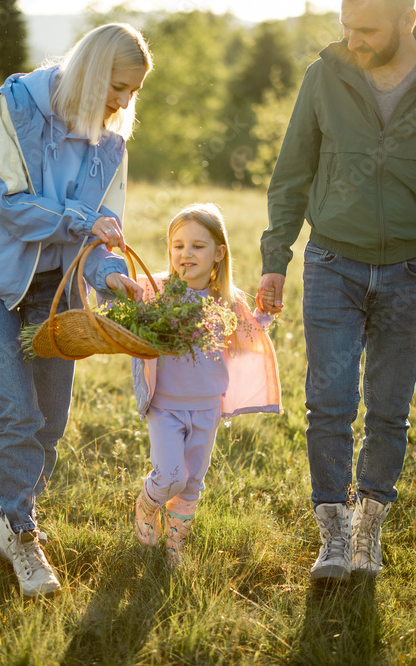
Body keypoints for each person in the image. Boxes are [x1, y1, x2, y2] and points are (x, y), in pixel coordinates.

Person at [258, 0, 416, 581]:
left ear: (409, 18)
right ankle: (333, 532)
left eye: (368, 30)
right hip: (331, 261)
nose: (354, 40)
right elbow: (292, 172)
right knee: (328, 403)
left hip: (410, 271)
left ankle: (370, 526)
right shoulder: (324, 75)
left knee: (390, 409)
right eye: (346, 27)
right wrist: (274, 259)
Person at [0, 23, 153, 597]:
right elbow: (6, 201)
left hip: (53, 287)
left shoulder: (110, 142)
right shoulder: (17, 108)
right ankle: (22, 531)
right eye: (117, 87)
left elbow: (102, 234)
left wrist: (116, 278)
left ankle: (16, 523)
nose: (123, 102)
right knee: (16, 411)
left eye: (133, 92)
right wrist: (82, 223)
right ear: (89, 73)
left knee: (51, 421)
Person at [131, 203, 281, 564]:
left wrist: (264, 313)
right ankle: (147, 504)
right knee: (170, 475)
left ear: (219, 253)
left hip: (207, 404)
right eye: (178, 245)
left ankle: (174, 543)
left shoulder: (227, 302)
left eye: (198, 246)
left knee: (192, 480)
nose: (186, 254)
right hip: (164, 405)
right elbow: (119, 297)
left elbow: (249, 335)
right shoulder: (157, 290)